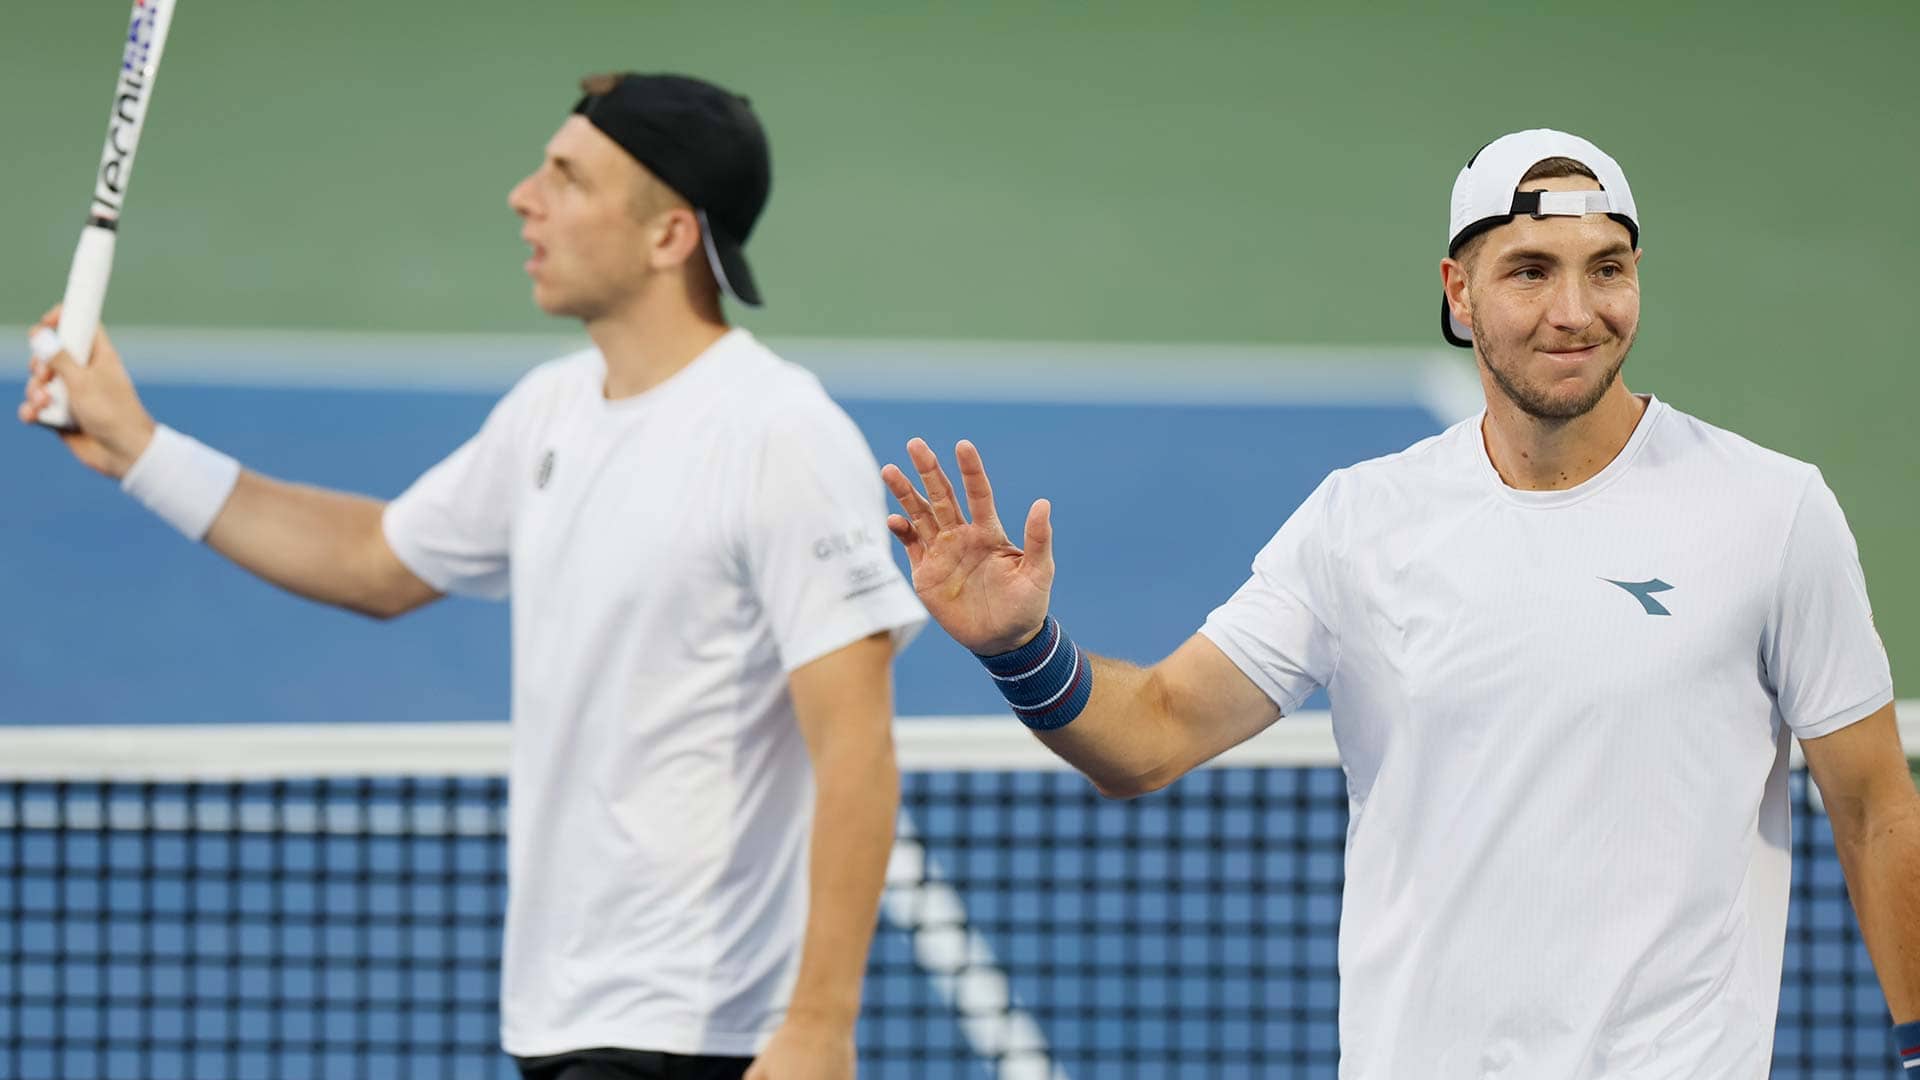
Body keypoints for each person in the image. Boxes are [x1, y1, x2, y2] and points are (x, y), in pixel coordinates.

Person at [878, 128, 1919, 1077]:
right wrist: (1023, 647)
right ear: (1459, 294)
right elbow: (1149, 735)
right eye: (1530, 271)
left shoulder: (1771, 512)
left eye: (1608, 269)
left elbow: (1875, 809)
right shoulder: (1360, 525)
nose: (1576, 310)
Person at [20, 72, 926, 1080]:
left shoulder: (779, 435)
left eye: (567, 177)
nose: (522, 195)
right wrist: (143, 450)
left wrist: (817, 1028)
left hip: (693, 1031)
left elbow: (857, 749)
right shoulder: (552, 410)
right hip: (559, 1014)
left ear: (669, 236)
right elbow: (375, 561)